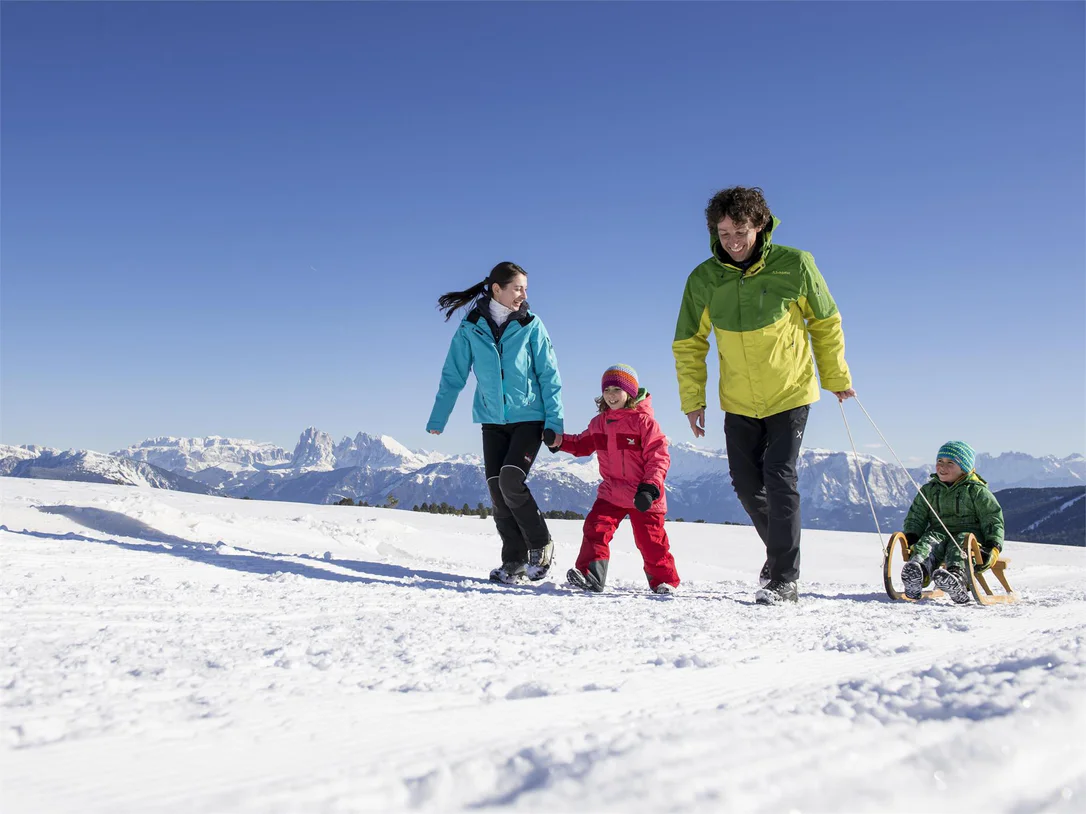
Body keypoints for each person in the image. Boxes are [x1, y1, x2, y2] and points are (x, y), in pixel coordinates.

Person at [672, 186, 854, 605]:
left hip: (790, 391)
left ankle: (784, 577)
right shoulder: (703, 280)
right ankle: (778, 555)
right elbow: (689, 344)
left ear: (760, 226)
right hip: (737, 398)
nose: (733, 242)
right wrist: (692, 400)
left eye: (741, 232)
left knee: (778, 475)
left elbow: (825, 323)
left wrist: (836, 376)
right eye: (723, 233)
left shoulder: (796, 265)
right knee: (745, 484)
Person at [427, 261, 563, 584]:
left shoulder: (531, 324)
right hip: (492, 420)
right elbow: (453, 374)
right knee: (496, 490)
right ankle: (513, 560)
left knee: (510, 481)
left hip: (530, 417)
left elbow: (549, 374)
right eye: (518, 288)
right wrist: (439, 416)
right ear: (496, 290)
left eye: (525, 289)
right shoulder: (471, 327)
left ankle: (541, 544)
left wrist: (554, 421)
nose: (524, 295)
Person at [544, 364, 680, 595]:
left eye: (617, 389)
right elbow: (581, 443)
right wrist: (558, 440)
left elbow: (658, 458)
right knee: (595, 528)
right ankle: (590, 575)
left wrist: (649, 488)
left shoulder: (644, 423)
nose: (611, 395)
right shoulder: (600, 423)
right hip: (612, 492)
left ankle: (664, 582)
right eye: (607, 390)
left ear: (631, 392)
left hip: (643, 494)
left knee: (651, 541)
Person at [900, 441, 1005, 604]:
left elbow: (992, 519)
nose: (942, 467)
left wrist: (993, 547)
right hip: (939, 532)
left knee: (959, 546)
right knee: (929, 541)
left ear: (964, 468)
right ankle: (918, 572)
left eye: (950, 463)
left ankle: (957, 578)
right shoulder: (930, 490)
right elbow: (917, 516)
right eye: (939, 461)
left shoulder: (976, 491)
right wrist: (912, 537)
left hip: (969, 537)